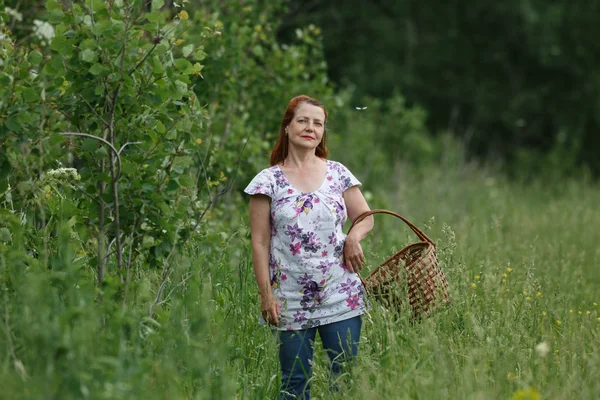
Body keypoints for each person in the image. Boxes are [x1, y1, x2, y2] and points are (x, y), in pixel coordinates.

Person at [244, 95, 374, 399]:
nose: (310, 127)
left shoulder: (338, 173)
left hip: (340, 295)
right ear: (287, 127)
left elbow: (366, 218)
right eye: (302, 120)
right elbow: (260, 242)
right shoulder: (268, 182)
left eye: (318, 123)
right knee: (293, 384)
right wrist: (266, 294)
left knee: (343, 381)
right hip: (289, 299)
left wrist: (353, 237)